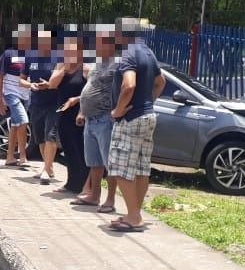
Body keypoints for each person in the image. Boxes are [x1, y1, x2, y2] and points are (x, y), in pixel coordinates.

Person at [107, 18, 165, 232]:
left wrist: (118, 110)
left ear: (121, 34)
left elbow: (128, 85)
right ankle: (134, 213)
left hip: (130, 119)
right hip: (148, 116)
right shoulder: (148, 52)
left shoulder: (128, 53)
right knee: (141, 168)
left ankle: (133, 217)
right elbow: (161, 82)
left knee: (119, 167)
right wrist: (149, 101)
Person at [71, 30, 118, 212]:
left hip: (106, 119)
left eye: (99, 43)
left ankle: (110, 199)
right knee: (94, 162)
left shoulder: (117, 65)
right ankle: (94, 195)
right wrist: (82, 111)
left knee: (109, 162)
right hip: (90, 119)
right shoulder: (99, 64)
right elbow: (89, 87)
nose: (96, 47)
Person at [48, 34, 88, 194]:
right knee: (68, 150)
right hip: (64, 114)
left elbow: (92, 92)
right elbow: (52, 84)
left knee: (80, 150)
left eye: (71, 50)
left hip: (80, 115)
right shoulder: (61, 66)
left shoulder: (85, 68)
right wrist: (64, 68)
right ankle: (71, 183)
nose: (68, 53)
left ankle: (84, 185)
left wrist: (76, 100)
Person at [22, 27, 59, 184]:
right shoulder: (31, 56)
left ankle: (46, 169)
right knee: (40, 138)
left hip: (54, 103)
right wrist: (31, 86)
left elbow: (60, 78)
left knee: (50, 135)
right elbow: (21, 79)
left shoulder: (59, 57)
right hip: (36, 103)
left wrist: (49, 85)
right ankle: (48, 167)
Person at [0, 25, 32, 167]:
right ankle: (22, 156)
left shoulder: (31, 55)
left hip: (25, 95)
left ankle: (10, 157)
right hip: (11, 93)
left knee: (16, 124)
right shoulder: (9, 54)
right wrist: (0, 100)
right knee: (23, 121)